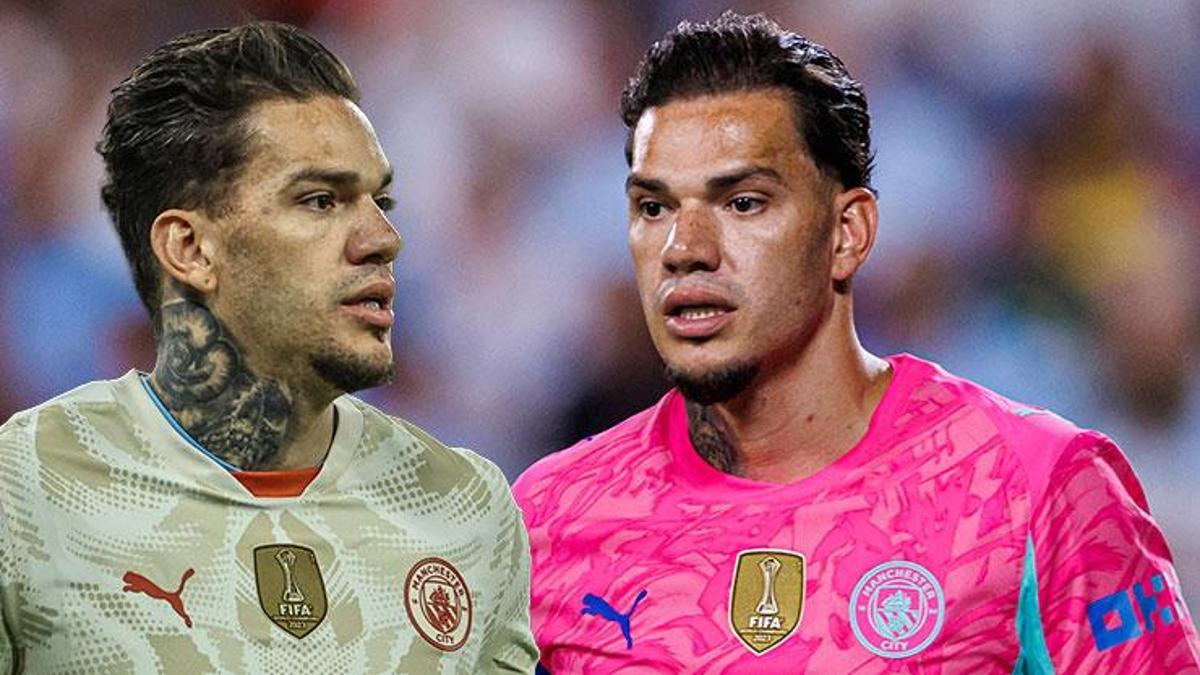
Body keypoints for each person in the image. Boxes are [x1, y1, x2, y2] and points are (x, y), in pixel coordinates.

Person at [514, 11, 1200, 673]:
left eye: (743, 202)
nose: (684, 247)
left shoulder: (1038, 485)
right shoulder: (549, 518)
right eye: (653, 207)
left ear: (848, 234)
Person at [0, 22, 536, 673]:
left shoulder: (466, 504)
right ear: (190, 250)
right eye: (320, 201)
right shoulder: (23, 492)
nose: (383, 237)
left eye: (379, 199)